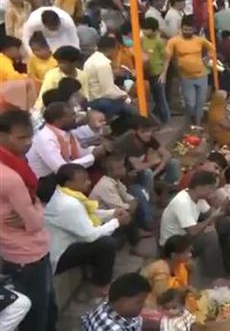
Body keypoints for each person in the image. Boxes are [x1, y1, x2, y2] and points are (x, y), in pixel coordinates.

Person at [0, 110, 56, 331]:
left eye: (30, 136)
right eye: (21, 137)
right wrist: (38, 206)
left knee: (46, 308)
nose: (28, 143)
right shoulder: (11, 176)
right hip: (26, 254)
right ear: (2, 136)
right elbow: (34, 224)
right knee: (37, 316)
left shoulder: (15, 164)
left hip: (21, 252)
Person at [45, 164, 129, 296]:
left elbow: (88, 212)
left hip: (71, 242)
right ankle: (100, 285)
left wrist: (112, 213)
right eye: (84, 180)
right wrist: (116, 222)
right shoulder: (69, 204)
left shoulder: (66, 194)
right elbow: (89, 236)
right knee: (106, 244)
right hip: (60, 255)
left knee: (109, 233)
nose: (89, 182)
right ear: (69, 183)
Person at [27, 102, 108, 197]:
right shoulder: (45, 138)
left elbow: (81, 153)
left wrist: (98, 149)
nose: (76, 118)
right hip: (46, 184)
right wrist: (92, 156)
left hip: (63, 177)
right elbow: (61, 169)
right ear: (58, 120)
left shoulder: (67, 134)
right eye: (72, 116)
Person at [158, 170, 227, 279]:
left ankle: (217, 271)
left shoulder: (198, 198)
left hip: (185, 236)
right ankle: (215, 278)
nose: (212, 192)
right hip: (172, 244)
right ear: (199, 188)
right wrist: (212, 219)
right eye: (210, 188)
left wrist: (215, 210)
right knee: (210, 237)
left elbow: (210, 213)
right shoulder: (182, 202)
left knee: (222, 225)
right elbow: (193, 231)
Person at [162, 15, 216, 126]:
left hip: (201, 75)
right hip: (186, 77)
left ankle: (197, 124)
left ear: (194, 29)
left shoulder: (199, 40)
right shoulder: (174, 41)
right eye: (185, 29)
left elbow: (212, 48)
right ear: (181, 28)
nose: (187, 32)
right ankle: (189, 120)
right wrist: (163, 73)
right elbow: (167, 57)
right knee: (190, 103)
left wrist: (207, 58)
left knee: (200, 102)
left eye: (190, 30)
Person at [80, 272, 150, 331]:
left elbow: (136, 322)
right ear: (123, 300)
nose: (144, 305)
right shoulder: (114, 328)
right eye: (139, 302)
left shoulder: (109, 306)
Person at [84, 36, 133, 117]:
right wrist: (126, 96)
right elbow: (108, 91)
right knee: (133, 109)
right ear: (113, 49)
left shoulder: (92, 59)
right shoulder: (103, 64)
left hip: (96, 98)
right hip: (100, 100)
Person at [141, 235, 193, 309]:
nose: (190, 255)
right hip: (150, 305)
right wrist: (184, 290)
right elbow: (162, 296)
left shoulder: (180, 266)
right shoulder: (161, 270)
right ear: (174, 255)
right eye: (186, 252)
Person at [35, 45, 89, 109]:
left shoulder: (83, 75)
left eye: (63, 63)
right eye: (59, 62)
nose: (60, 65)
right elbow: (43, 98)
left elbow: (86, 95)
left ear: (75, 63)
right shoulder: (52, 76)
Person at [141, 17, 171, 123]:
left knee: (161, 99)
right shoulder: (142, 39)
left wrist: (163, 74)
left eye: (147, 29)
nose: (144, 31)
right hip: (146, 73)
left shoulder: (158, 41)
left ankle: (167, 121)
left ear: (154, 30)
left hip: (157, 73)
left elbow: (166, 57)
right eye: (143, 29)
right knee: (153, 99)